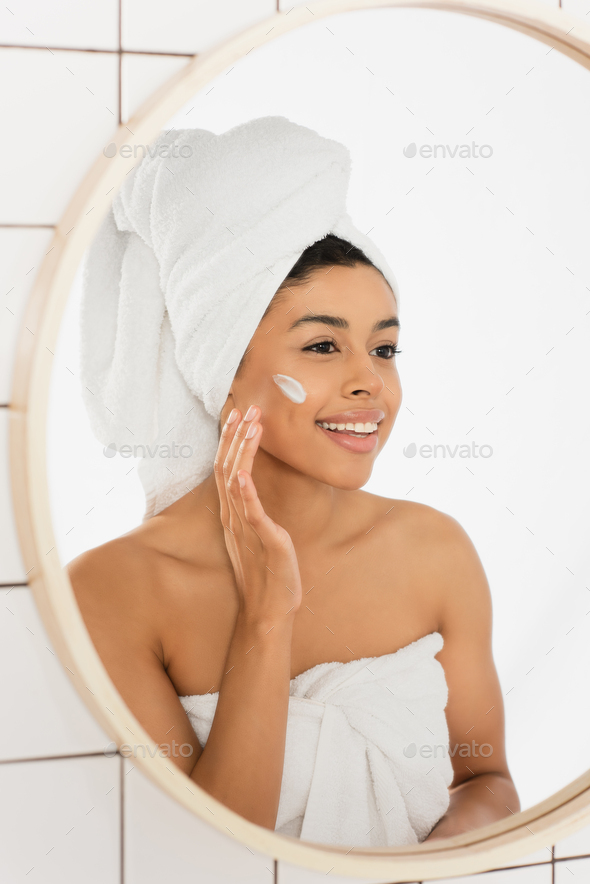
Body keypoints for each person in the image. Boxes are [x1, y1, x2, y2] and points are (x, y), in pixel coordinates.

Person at [68, 117, 519, 847]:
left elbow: (486, 783)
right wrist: (265, 618)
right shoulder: (110, 594)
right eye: (321, 346)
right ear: (221, 367)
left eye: (384, 347)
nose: (369, 382)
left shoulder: (435, 550)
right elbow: (206, 856)